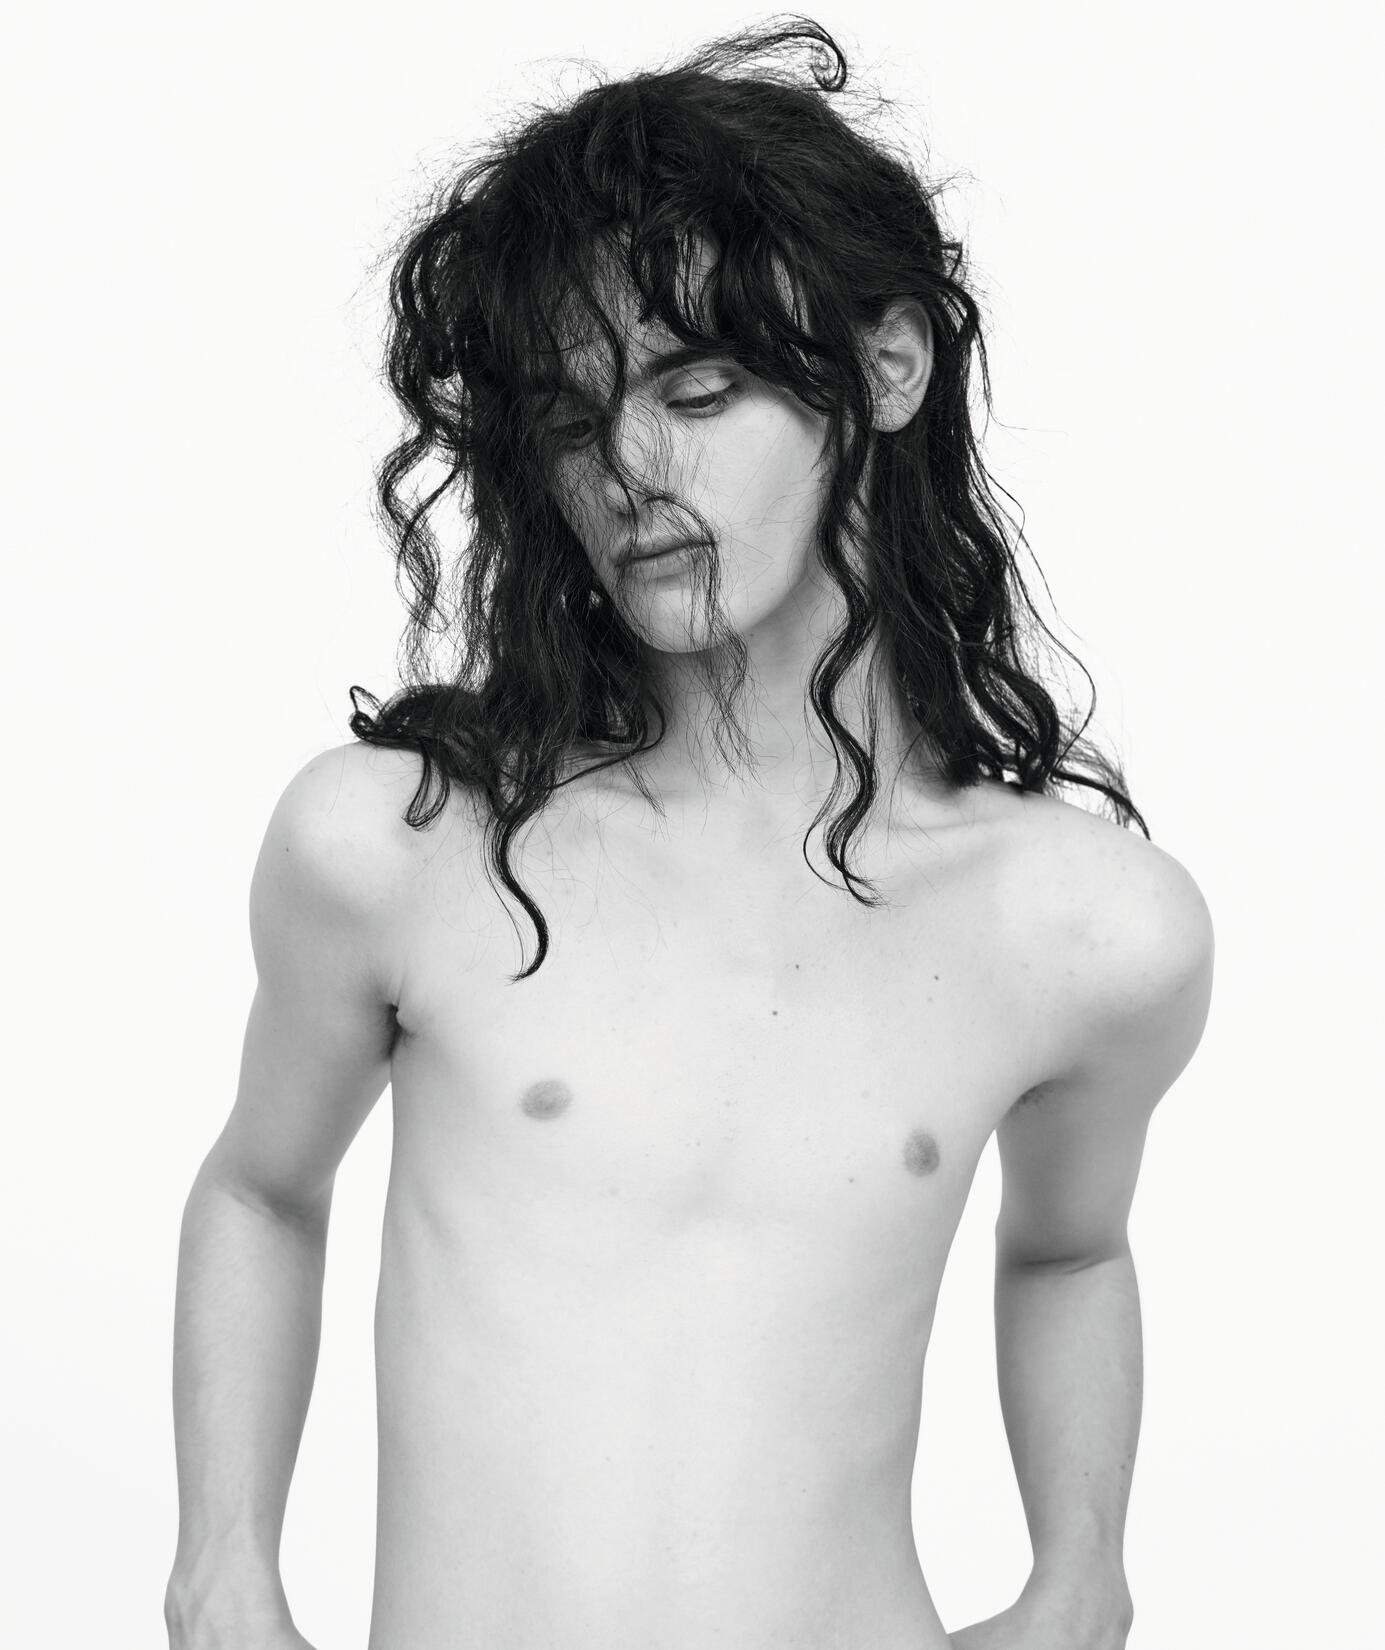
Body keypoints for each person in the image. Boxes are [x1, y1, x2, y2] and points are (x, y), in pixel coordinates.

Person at [164, 20, 1214, 1650]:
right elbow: (257, 1187)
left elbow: (1069, 1251)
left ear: (886, 366)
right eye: (572, 420)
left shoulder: (1089, 933)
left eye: (699, 390)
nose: (631, 470)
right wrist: (221, 1569)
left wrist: (1081, 1572)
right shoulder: (401, 846)